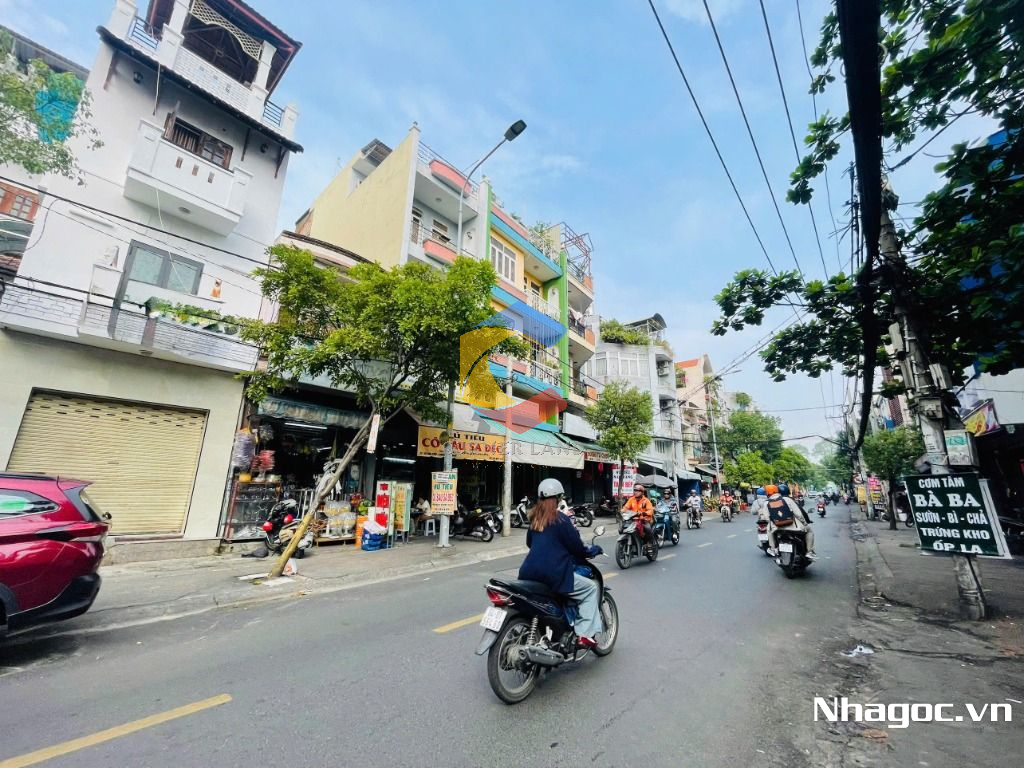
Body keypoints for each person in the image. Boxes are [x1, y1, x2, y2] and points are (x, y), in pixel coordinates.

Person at [518, 479, 603, 647]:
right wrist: (593, 550)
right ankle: (585, 634)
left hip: (527, 573)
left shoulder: (535, 519)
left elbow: (530, 543)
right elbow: (577, 548)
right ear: (557, 498)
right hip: (553, 574)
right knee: (590, 588)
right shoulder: (561, 520)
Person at [766, 482, 816, 559]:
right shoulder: (788, 499)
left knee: (769, 531)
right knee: (809, 531)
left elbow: (767, 518)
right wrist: (804, 523)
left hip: (777, 529)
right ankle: (809, 551)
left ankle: (773, 549)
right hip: (794, 527)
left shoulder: (767, 502)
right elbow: (798, 514)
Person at [622, 483, 657, 553]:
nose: (636, 492)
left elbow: (650, 510)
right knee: (623, 527)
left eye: (638, 491)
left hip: (644, 520)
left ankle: (649, 543)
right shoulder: (631, 499)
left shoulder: (646, 500)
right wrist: (622, 512)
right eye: (635, 490)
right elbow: (625, 507)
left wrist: (644, 513)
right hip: (633, 520)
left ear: (642, 492)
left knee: (647, 528)